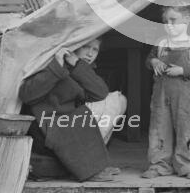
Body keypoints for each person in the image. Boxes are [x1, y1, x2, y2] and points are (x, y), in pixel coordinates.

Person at [19, 36, 126, 182]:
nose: (90, 53)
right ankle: (90, 170)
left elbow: (100, 92)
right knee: (78, 118)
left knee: (84, 115)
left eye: (95, 49)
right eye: (86, 47)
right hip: (42, 124)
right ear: (75, 46)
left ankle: (95, 166)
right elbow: (27, 94)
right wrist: (57, 66)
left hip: (64, 120)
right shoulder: (49, 63)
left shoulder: (79, 67)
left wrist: (76, 63)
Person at [142, 0, 190, 180]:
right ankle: (159, 165)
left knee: (185, 130)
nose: (168, 25)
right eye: (165, 22)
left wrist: (182, 70)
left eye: (172, 20)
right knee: (159, 129)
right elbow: (148, 60)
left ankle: (188, 165)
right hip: (160, 97)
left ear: (186, 20)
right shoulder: (161, 43)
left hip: (183, 98)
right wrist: (154, 61)